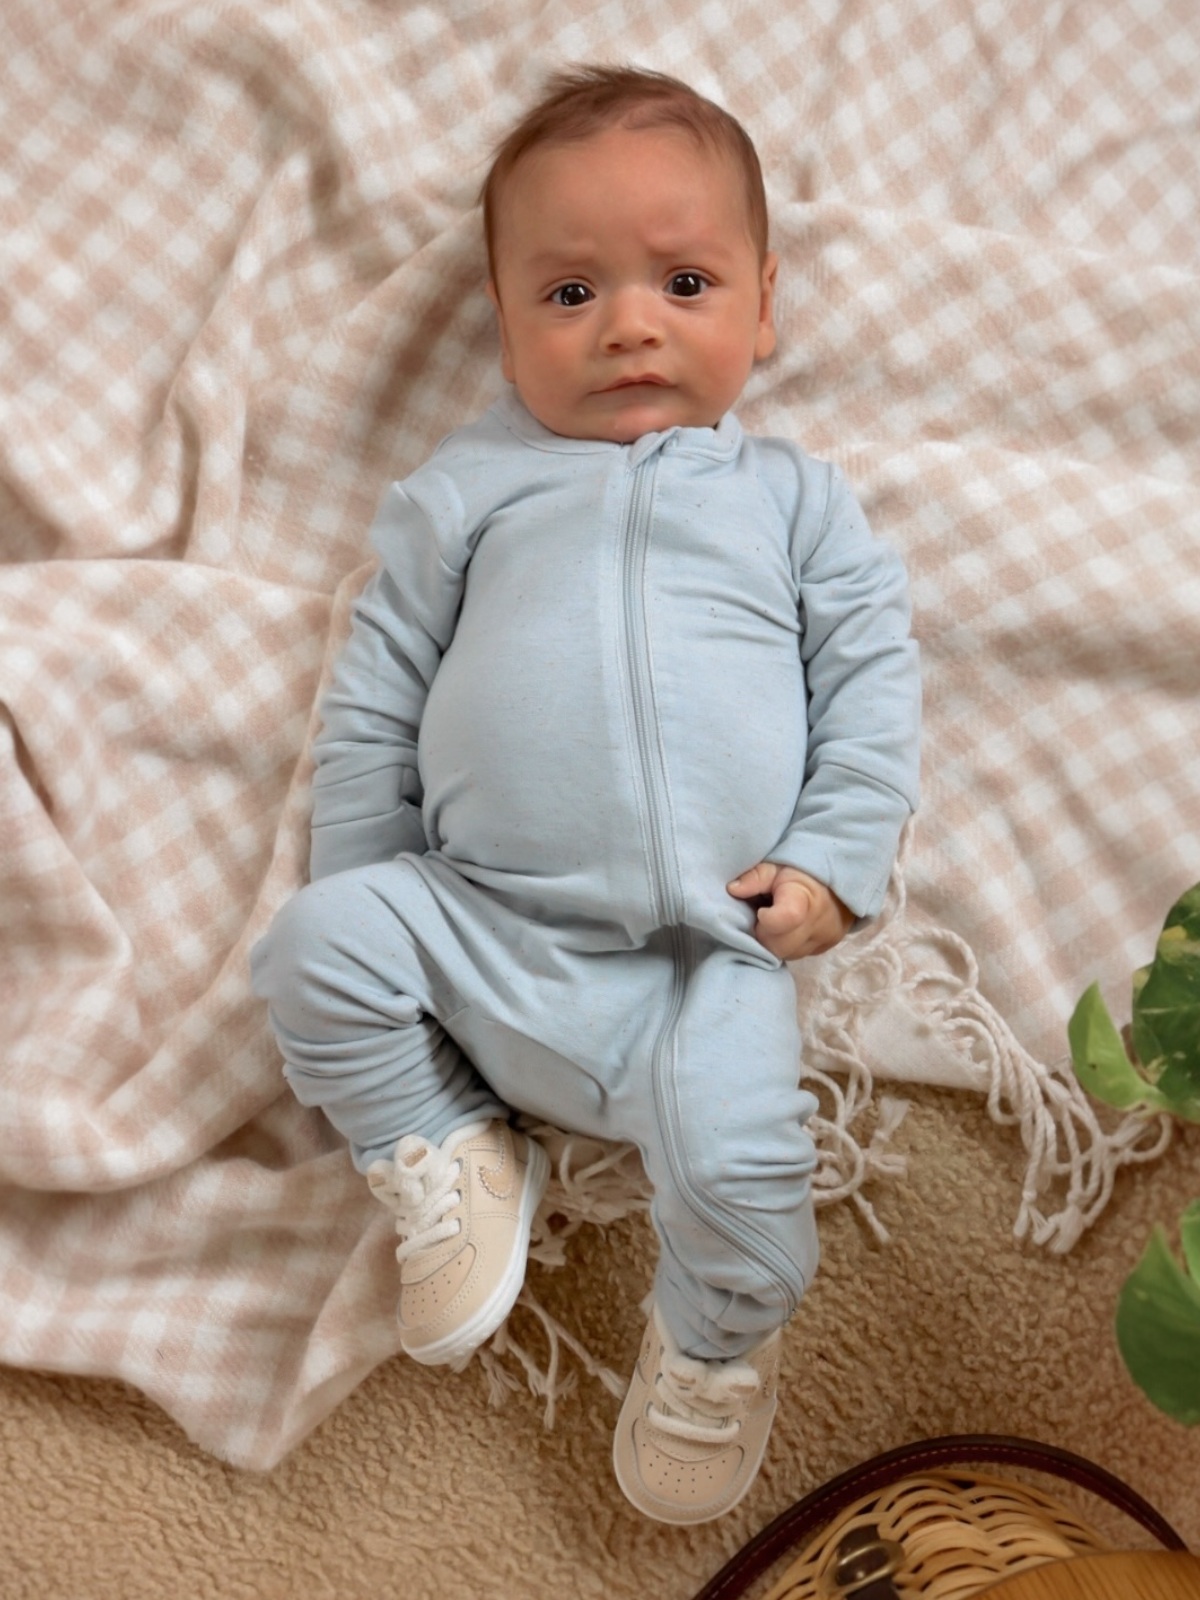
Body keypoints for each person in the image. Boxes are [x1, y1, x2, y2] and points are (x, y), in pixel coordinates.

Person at [250, 63, 921, 1525]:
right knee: (308, 951)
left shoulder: (792, 500)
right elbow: (371, 698)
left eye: (685, 281)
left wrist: (833, 858)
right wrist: (372, 891)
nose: (629, 324)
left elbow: (873, 678)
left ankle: (709, 1342)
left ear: (764, 305)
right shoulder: (461, 495)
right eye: (569, 295)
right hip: (479, 924)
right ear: (502, 322)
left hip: (700, 959)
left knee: (754, 1176)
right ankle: (445, 1144)